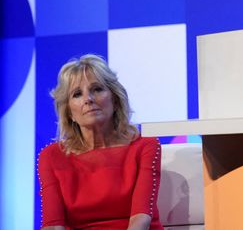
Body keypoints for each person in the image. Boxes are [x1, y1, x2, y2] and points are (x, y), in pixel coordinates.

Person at [38, 54, 163, 230]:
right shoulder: (51, 156)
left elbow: (140, 221)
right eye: (77, 94)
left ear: (115, 100)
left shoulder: (145, 147)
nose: (88, 99)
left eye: (97, 89)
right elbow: (53, 225)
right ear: (69, 113)